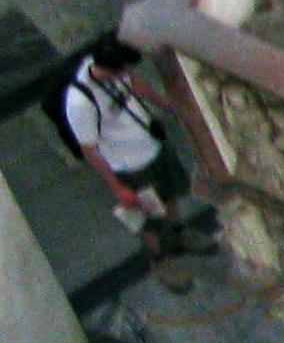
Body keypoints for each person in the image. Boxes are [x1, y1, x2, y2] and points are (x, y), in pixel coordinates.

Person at [59, 41, 208, 259]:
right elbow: (89, 149)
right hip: (130, 167)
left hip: (153, 147)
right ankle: (159, 258)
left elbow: (137, 86)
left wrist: (168, 105)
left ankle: (179, 234)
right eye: (124, 70)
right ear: (112, 69)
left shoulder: (106, 68)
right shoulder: (80, 102)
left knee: (169, 195)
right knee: (148, 217)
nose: (127, 74)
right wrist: (117, 186)